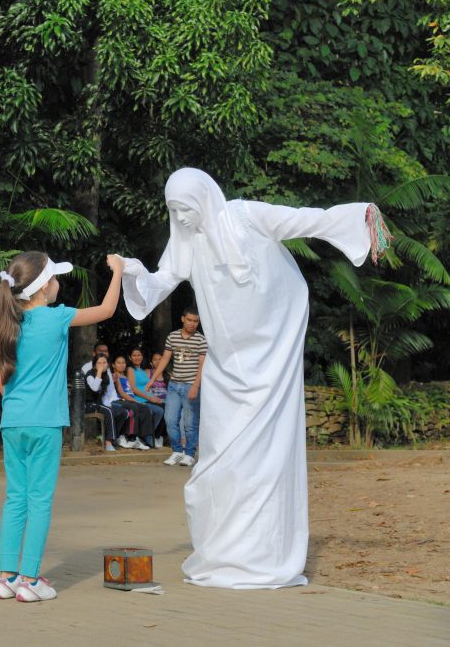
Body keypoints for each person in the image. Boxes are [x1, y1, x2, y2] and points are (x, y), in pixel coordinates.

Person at [122, 167, 389, 589]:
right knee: (219, 462)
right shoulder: (185, 242)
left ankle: (264, 553)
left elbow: (305, 219)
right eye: (174, 211)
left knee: (265, 460)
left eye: (186, 208)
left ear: (206, 198)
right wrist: (133, 272)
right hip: (227, 370)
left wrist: (361, 217)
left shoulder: (246, 216)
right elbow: (157, 285)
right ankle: (225, 551)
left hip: (270, 358)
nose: (183, 218)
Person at [0, 251, 123, 602]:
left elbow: (2, 383)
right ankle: (31, 580)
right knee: (39, 500)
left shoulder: (8, 324)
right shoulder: (57, 317)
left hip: (13, 421)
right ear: (43, 288)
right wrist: (119, 271)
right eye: (54, 278)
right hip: (45, 422)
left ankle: (6, 577)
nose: (58, 283)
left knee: (15, 498)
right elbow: (107, 310)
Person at [147, 307, 206, 467]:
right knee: (170, 419)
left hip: (190, 385)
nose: (192, 324)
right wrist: (152, 379)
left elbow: (202, 365)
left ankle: (190, 453)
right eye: (189, 320)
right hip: (174, 385)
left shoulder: (200, 340)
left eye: (195, 321)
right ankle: (177, 451)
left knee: (189, 422)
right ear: (183, 319)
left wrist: (195, 386)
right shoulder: (173, 336)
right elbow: (165, 359)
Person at [84, 353, 130, 451]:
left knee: (123, 411)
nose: (102, 365)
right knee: (108, 411)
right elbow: (95, 388)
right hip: (88, 404)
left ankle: (114, 438)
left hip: (99, 403)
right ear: (94, 365)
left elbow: (104, 393)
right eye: (99, 363)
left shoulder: (106, 376)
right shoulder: (90, 374)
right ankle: (108, 443)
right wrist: (99, 372)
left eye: (104, 363)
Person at [113, 353, 159, 448]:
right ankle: (131, 438)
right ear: (113, 365)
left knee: (145, 409)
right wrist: (135, 401)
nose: (122, 365)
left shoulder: (125, 377)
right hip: (122, 400)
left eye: (123, 363)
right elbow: (122, 393)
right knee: (135, 407)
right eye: (119, 363)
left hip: (130, 400)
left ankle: (141, 437)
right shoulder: (115, 376)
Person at [125, 347, 166, 448]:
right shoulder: (130, 369)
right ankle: (147, 434)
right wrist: (150, 398)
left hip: (149, 397)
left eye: (139, 355)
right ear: (130, 358)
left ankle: (152, 435)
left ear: (142, 356)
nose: (137, 357)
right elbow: (134, 388)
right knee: (160, 410)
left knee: (167, 407)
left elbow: (148, 387)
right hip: (140, 399)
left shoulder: (143, 371)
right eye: (134, 355)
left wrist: (155, 397)